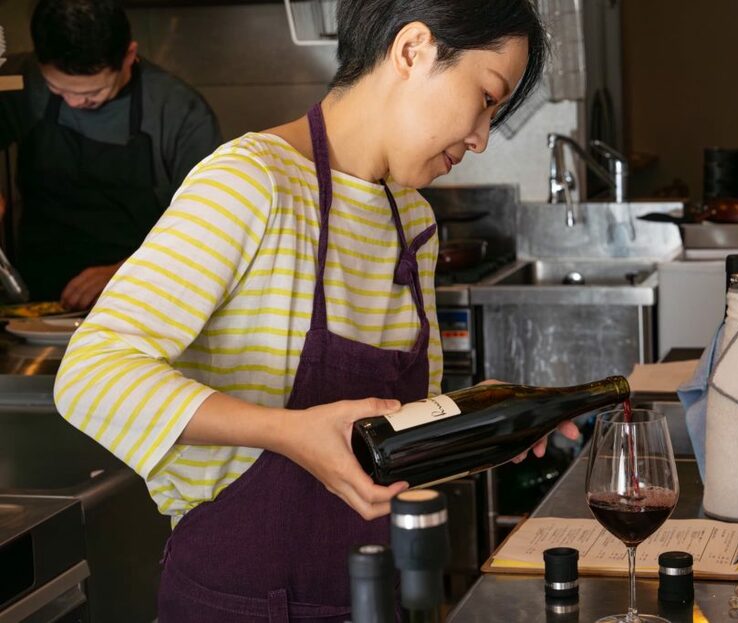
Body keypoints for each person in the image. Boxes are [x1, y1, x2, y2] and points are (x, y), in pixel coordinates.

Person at [55, 0, 570, 620]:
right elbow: (90, 372)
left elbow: (386, 435)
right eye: (487, 97)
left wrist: (476, 430)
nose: (482, 137)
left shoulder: (412, 220)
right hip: (239, 602)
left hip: (371, 598)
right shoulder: (251, 182)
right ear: (413, 50)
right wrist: (287, 432)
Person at [0, 0, 221, 309]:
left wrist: (126, 271)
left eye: (92, 94)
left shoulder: (179, 113)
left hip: (141, 300)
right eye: (59, 90)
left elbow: (210, 229)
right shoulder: (19, 82)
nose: (75, 103)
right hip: (36, 299)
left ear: (129, 56)